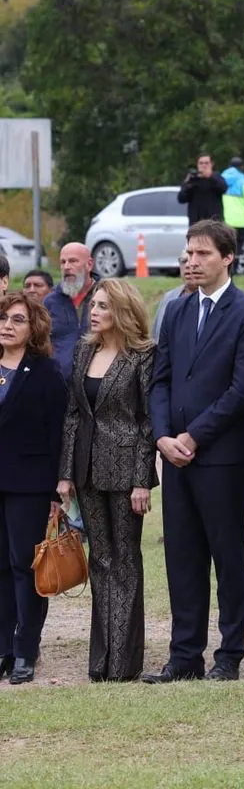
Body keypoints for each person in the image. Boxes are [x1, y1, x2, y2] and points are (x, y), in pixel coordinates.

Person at [145, 220, 244, 684]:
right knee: (182, 556)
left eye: (202, 254)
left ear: (227, 258)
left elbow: (241, 390)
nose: (191, 261)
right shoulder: (176, 310)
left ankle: (229, 654)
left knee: (227, 555)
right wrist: (162, 437)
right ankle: (184, 655)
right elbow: (160, 380)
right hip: (174, 456)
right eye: (188, 253)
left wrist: (193, 437)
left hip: (221, 457)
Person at [57, 279, 156, 682]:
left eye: (102, 306)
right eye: (93, 305)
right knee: (100, 559)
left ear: (122, 312)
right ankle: (100, 661)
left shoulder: (142, 356)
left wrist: (142, 480)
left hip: (126, 470)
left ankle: (124, 661)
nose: (93, 312)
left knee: (126, 561)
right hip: (86, 471)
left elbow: (148, 422)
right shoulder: (84, 351)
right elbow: (73, 416)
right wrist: (65, 474)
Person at [0, 292, 66, 684]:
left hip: (28, 484)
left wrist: (58, 487)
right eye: (4, 317)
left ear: (34, 327)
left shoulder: (45, 371)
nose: (8, 325)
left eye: (18, 319)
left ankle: (26, 649)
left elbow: (57, 430)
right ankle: (3, 648)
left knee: (25, 567)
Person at [43, 242, 101, 380]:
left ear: (89, 264)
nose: (67, 267)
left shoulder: (108, 296)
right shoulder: (50, 301)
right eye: (63, 262)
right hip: (59, 384)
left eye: (73, 261)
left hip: (97, 386)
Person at [151, 253, 199, 342]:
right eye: (184, 261)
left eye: (192, 261)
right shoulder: (169, 297)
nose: (188, 265)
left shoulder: (209, 301)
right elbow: (154, 337)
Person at [221, 157, 244, 256]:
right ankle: (235, 266)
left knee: (225, 244)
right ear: (242, 167)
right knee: (238, 245)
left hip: (224, 219)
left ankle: (227, 268)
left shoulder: (220, 178)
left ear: (229, 166)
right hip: (240, 220)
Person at [177, 153, 227, 226]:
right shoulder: (192, 179)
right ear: (197, 165)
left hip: (214, 222)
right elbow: (181, 199)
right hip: (196, 222)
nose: (204, 165)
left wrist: (210, 176)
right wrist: (188, 185)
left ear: (211, 164)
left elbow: (224, 189)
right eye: (201, 163)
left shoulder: (216, 177)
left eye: (206, 163)